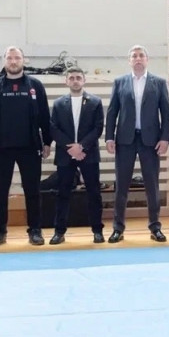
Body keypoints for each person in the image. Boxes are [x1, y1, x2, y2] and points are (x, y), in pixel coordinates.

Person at [0, 46, 52, 247]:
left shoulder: (35, 85)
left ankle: (35, 230)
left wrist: (47, 142)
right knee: (0, 191)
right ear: (4, 60)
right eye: (10, 58)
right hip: (1, 148)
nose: (13, 61)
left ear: (23, 60)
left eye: (17, 58)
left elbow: (45, 116)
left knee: (33, 190)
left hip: (30, 147)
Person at [105, 45, 169, 243]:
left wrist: (165, 138)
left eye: (141, 55)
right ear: (129, 61)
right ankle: (118, 228)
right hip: (125, 140)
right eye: (134, 56)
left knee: (152, 185)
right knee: (122, 186)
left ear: (147, 60)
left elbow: (166, 113)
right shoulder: (120, 82)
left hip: (150, 141)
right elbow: (112, 112)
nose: (138, 58)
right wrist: (109, 137)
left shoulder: (158, 83)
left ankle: (155, 227)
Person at [49, 66, 104, 245]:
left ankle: (97, 230)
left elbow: (98, 128)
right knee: (63, 194)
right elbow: (53, 128)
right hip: (65, 155)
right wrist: (71, 148)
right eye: (71, 78)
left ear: (84, 80)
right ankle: (59, 232)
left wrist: (81, 147)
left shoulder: (95, 102)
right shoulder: (58, 104)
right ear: (66, 81)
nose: (75, 81)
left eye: (78, 78)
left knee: (94, 193)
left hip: (88, 154)